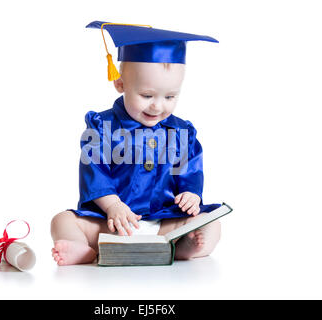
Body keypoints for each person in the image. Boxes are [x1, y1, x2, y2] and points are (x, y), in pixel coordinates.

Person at [51, 21, 222, 265]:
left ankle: (185, 246)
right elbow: (94, 172)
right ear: (120, 84)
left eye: (170, 96)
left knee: (211, 221)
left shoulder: (181, 132)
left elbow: (189, 170)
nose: (158, 105)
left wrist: (190, 193)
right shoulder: (102, 127)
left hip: (164, 222)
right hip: (112, 224)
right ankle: (83, 249)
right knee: (62, 221)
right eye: (147, 95)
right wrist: (113, 205)